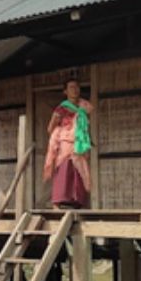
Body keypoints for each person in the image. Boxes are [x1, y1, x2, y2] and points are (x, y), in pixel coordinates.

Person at [43, 78, 93, 208]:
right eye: (71, 87)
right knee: (64, 169)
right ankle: (58, 201)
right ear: (65, 91)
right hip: (66, 142)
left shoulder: (85, 107)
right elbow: (50, 128)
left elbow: (86, 126)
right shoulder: (62, 108)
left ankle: (76, 201)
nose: (75, 90)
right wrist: (63, 134)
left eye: (77, 87)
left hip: (80, 143)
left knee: (79, 170)